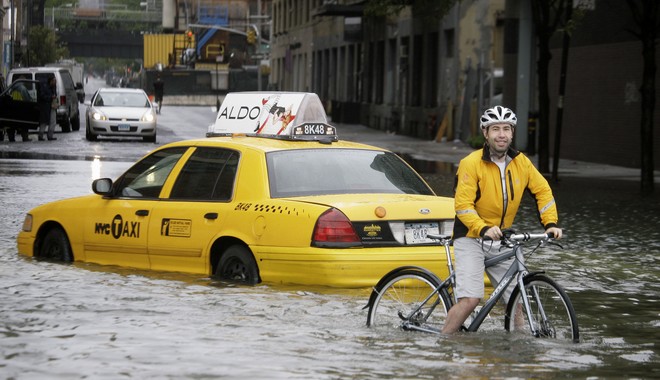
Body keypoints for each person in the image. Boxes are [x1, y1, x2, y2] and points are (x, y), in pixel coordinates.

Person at [441, 105, 563, 334]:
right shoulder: (471, 163)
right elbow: (463, 206)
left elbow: (542, 191)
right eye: (495, 129)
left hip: (502, 236)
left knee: (516, 299)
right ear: (485, 134)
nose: (501, 134)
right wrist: (482, 227)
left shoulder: (521, 162)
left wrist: (550, 224)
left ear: (512, 133)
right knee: (471, 299)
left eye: (506, 129)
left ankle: (518, 348)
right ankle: (444, 344)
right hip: (470, 236)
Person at [38, 76, 57, 141]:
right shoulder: (45, 87)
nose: (55, 82)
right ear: (51, 81)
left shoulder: (53, 87)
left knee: (53, 121)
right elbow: (42, 96)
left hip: (52, 106)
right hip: (45, 107)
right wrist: (50, 97)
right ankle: (40, 136)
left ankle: (50, 135)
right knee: (44, 122)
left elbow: (54, 95)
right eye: (54, 81)